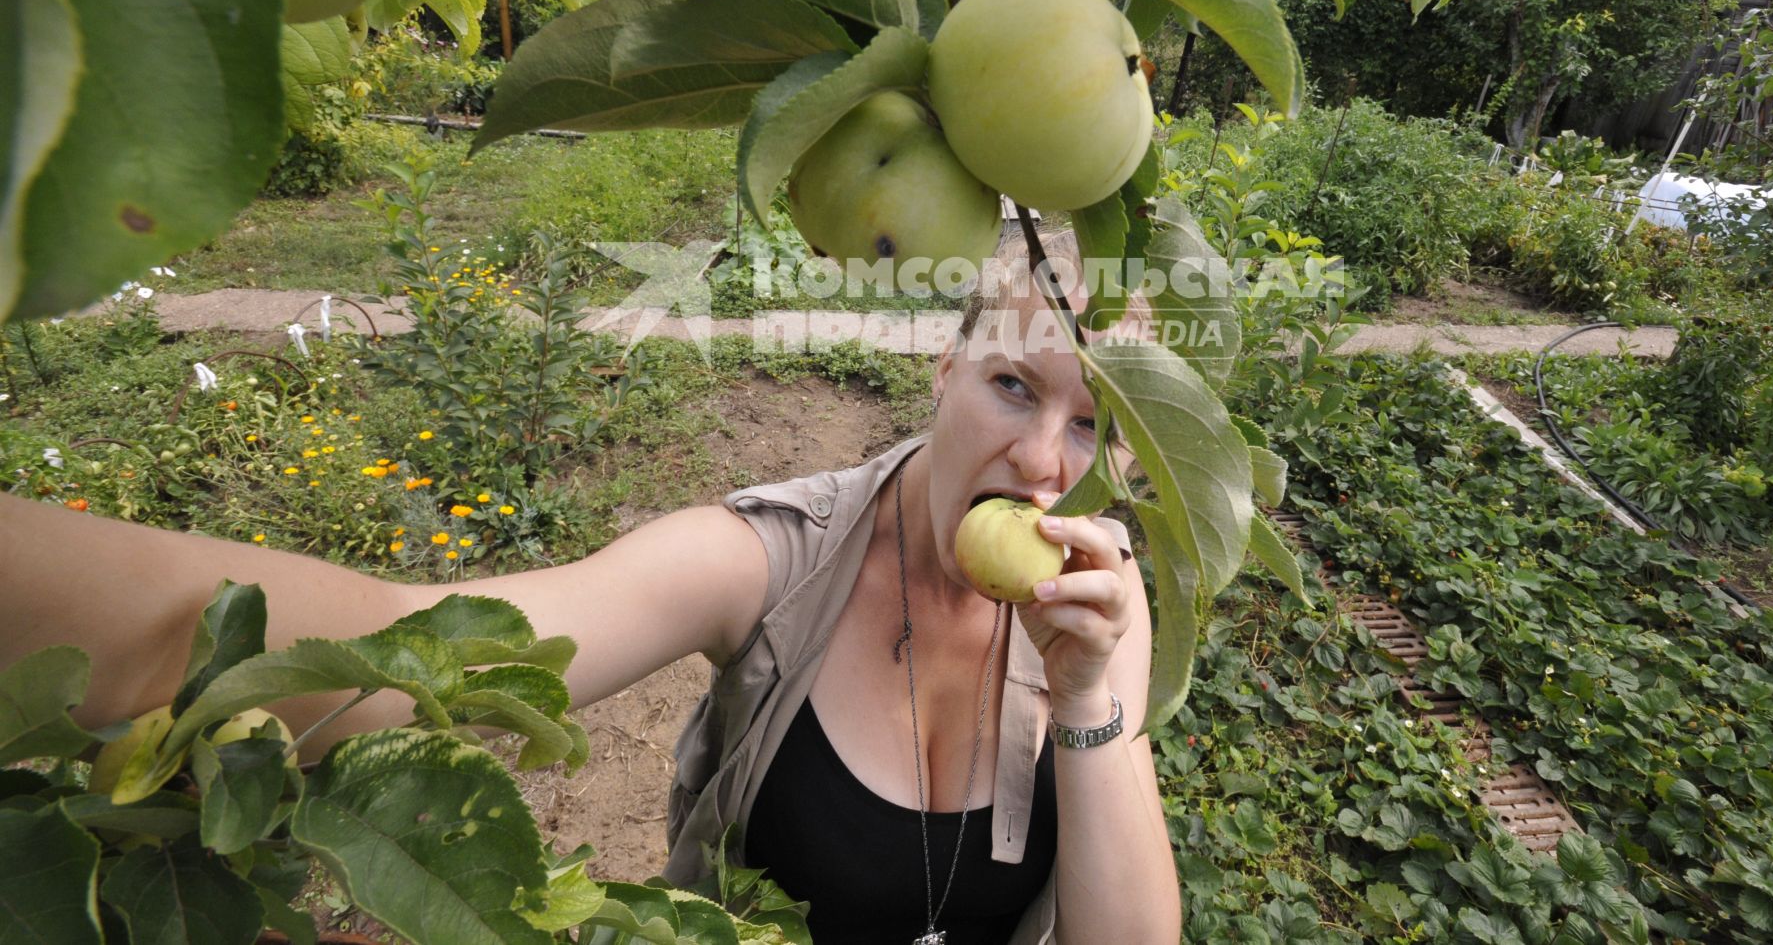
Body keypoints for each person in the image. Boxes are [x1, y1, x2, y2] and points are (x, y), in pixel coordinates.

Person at [1, 230, 1182, 944]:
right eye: (1015, 388)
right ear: (945, 365)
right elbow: (418, 652)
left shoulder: (1092, 606)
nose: (1042, 465)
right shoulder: (769, 561)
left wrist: (1087, 704)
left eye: (1092, 427)